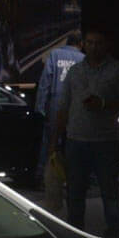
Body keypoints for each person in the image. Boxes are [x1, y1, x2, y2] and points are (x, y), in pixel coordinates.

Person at [48, 28, 119, 238]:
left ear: (107, 45)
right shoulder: (75, 71)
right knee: (75, 192)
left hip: (105, 140)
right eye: (89, 42)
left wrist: (104, 104)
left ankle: (113, 233)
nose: (93, 47)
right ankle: (76, 234)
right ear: (83, 44)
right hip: (76, 140)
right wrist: (54, 140)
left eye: (98, 43)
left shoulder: (118, 69)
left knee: (109, 190)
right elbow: (64, 106)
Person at [34, 31, 83, 211]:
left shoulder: (54, 55)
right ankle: (74, 180)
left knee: (50, 144)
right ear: (80, 44)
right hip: (75, 108)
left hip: (55, 106)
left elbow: (45, 83)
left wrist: (40, 107)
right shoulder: (82, 59)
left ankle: (44, 178)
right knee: (73, 144)